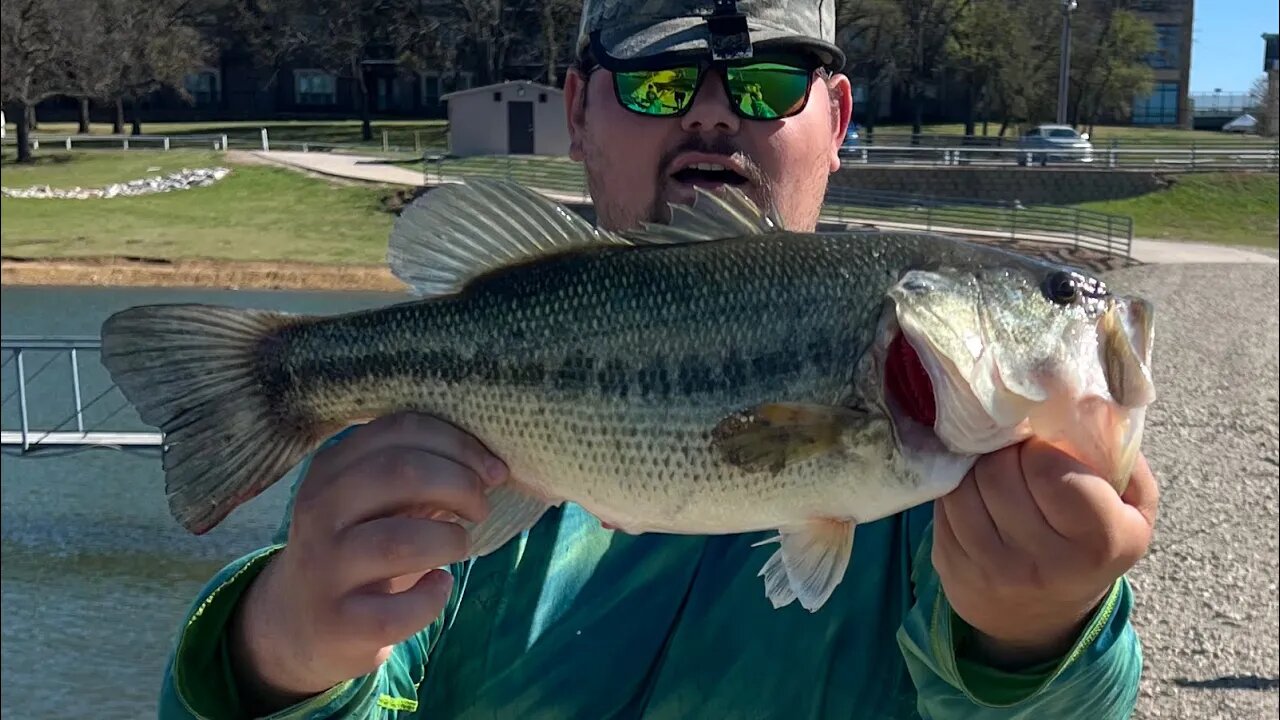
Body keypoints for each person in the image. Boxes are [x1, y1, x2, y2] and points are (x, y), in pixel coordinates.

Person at [158, 1, 1159, 717]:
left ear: (838, 119)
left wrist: (1034, 639)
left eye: (769, 81)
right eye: (658, 77)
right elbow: (362, 674)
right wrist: (279, 657)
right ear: (579, 109)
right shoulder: (430, 458)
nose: (713, 113)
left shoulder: (965, 501)